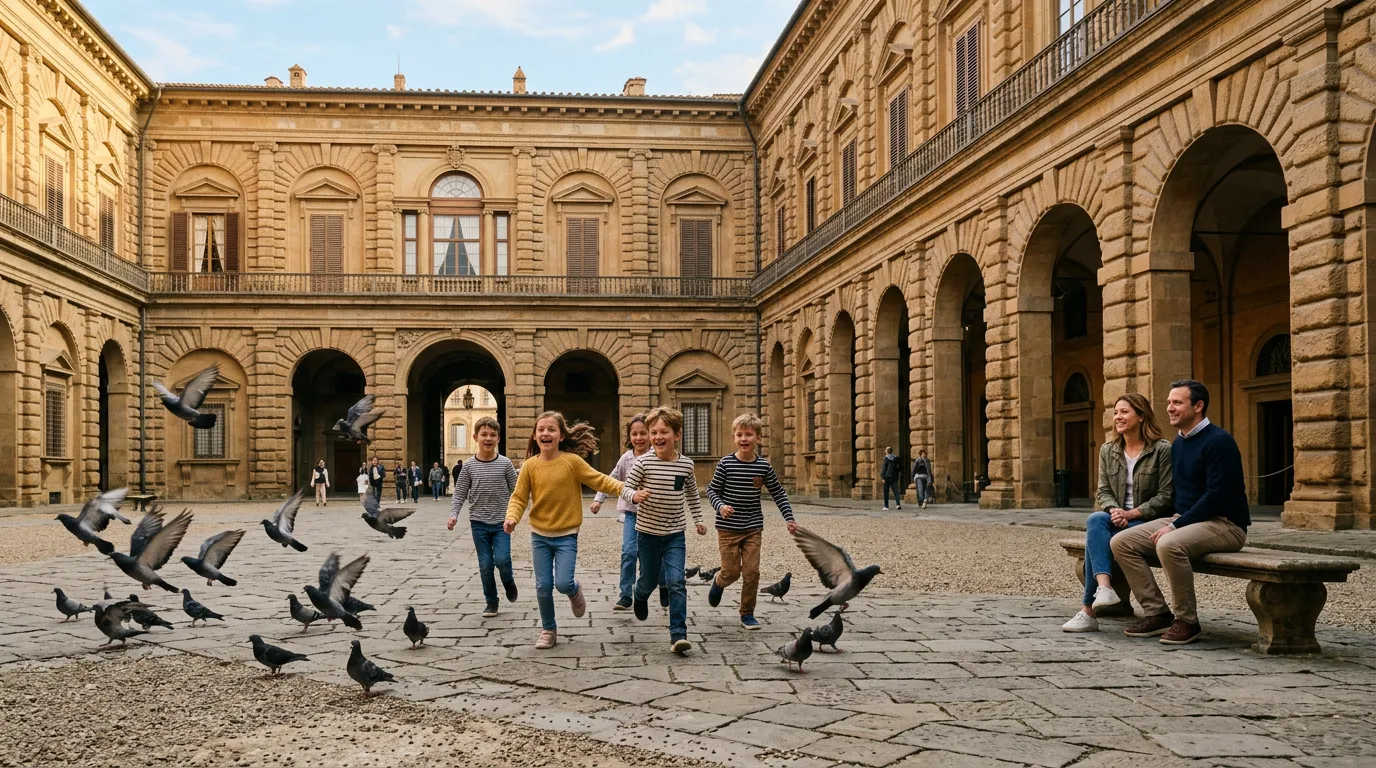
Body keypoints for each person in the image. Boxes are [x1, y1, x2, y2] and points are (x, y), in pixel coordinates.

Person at [1110, 380, 1249, 645]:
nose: (1170, 408)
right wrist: (1147, 517)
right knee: (1121, 541)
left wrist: (1175, 526)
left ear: (1198, 406)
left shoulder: (1219, 442)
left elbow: (1216, 497)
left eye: (1177, 403)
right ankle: (1157, 613)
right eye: (1169, 403)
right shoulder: (1178, 444)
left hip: (1225, 523)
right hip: (1186, 520)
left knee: (1168, 544)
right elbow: (1175, 495)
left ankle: (1187, 621)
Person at [504, 411, 647, 649]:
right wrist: (512, 518)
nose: (545, 433)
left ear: (561, 436)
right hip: (539, 535)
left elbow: (601, 480)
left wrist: (628, 491)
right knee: (542, 586)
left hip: (566, 535)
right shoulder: (530, 466)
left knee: (562, 583)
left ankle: (574, 589)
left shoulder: (571, 462)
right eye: (541, 429)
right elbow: (518, 498)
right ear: (535, 436)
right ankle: (548, 629)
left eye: (551, 429)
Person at [1062, 393, 1174, 633]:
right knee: (1096, 519)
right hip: (1117, 518)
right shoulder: (1108, 450)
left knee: (1100, 539)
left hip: (1148, 521)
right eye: (1115, 413)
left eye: (1124, 412)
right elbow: (1102, 491)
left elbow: (1166, 495)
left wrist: (1131, 513)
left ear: (1142, 416)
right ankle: (1104, 588)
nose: (1118, 417)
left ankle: (1088, 611)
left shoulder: (1162, 449)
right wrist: (1114, 510)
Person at [624, 406, 706, 655]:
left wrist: (698, 519)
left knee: (677, 582)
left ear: (677, 435)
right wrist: (636, 495)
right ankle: (639, 594)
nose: (658, 437)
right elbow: (625, 488)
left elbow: (691, 493)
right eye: (653, 432)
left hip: (674, 535)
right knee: (648, 580)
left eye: (664, 432)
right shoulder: (643, 463)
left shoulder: (686, 465)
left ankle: (678, 635)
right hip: (647, 534)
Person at [706, 413, 797, 630]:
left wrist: (789, 518)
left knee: (752, 572)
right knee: (731, 573)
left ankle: (747, 613)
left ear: (758, 438)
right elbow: (712, 490)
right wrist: (721, 506)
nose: (744, 439)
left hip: (753, 527)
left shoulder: (763, 467)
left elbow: (778, 493)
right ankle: (719, 582)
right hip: (728, 529)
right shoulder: (726, 463)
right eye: (739, 435)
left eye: (748, 434)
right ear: (734, 437)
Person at [449, 417, 519, 617]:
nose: (488, 438)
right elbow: (460, 492)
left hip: (501, 523)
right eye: (484, 434)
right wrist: (453, 514)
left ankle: (508, 581)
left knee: (503, 560)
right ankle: (491, 601)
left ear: (498, 438)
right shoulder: (469, 466)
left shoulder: (505, 464)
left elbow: (516, 492)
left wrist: (515, 516)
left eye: (492, 435)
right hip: (478, 523)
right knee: (486, 564)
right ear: (475, 437)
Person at [591, 414, 652, 612]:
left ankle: (644, 590)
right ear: (629, 436)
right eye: (635, 434)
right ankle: (625, 595)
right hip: (631, 515)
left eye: (643, 433)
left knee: (648, 556)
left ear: (650, 434)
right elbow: (612, 479)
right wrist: (598, 499)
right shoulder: (626, 458)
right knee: (628, 552)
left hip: (653, 515)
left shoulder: (657, 456)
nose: (639, 437)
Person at [880, 446, 904, 511]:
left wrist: (883, 477)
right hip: (894, 477)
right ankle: (898, 504)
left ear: (887, 451)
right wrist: (899, 474)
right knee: (896, 491)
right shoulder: (896, 458)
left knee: (886, 492)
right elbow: (900, 467)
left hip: (887, 478)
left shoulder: (886, 458)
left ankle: (886, 506)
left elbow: (884, 469)